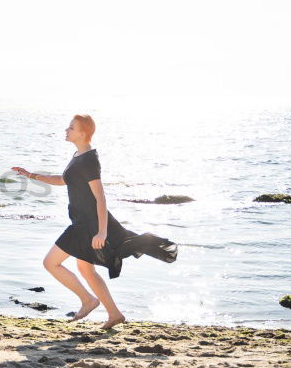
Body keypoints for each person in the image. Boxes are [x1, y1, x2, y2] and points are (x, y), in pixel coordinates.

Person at [12, 114, 177, 330]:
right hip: (82, 221)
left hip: (87, 225)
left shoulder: (89, 160)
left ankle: (88, 301)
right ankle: (115, 314)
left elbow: (100, 197)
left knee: (50, 263)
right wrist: (32, 175)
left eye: (71, 128)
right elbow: (63, 180)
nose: (66, 130)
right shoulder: (79, 156)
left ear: (82, 133)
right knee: (86, 270)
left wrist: (101, 232)